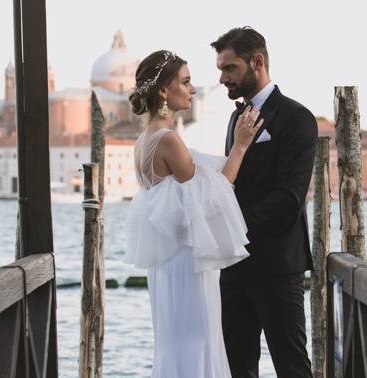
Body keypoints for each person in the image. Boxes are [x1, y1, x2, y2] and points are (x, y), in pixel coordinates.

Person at [124, 50, 263, 378]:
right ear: (163, 90)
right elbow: (212, 198)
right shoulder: (169, 140)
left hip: (168, 263)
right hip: (187, 262)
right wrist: (240, 146)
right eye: (185, 82)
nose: (193, 89)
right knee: (198, 339)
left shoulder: (144, 140)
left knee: (175, 341)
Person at [211, 27, 317, 377]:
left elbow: (289, 198)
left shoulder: (296, 118)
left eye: (230, 68)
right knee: (237, 368)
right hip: (233, 267)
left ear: (257, 62)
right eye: (221, 69)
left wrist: (231, 225)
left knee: (292, 368)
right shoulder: (234, 118)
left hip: (276, 266)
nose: (222, 78)